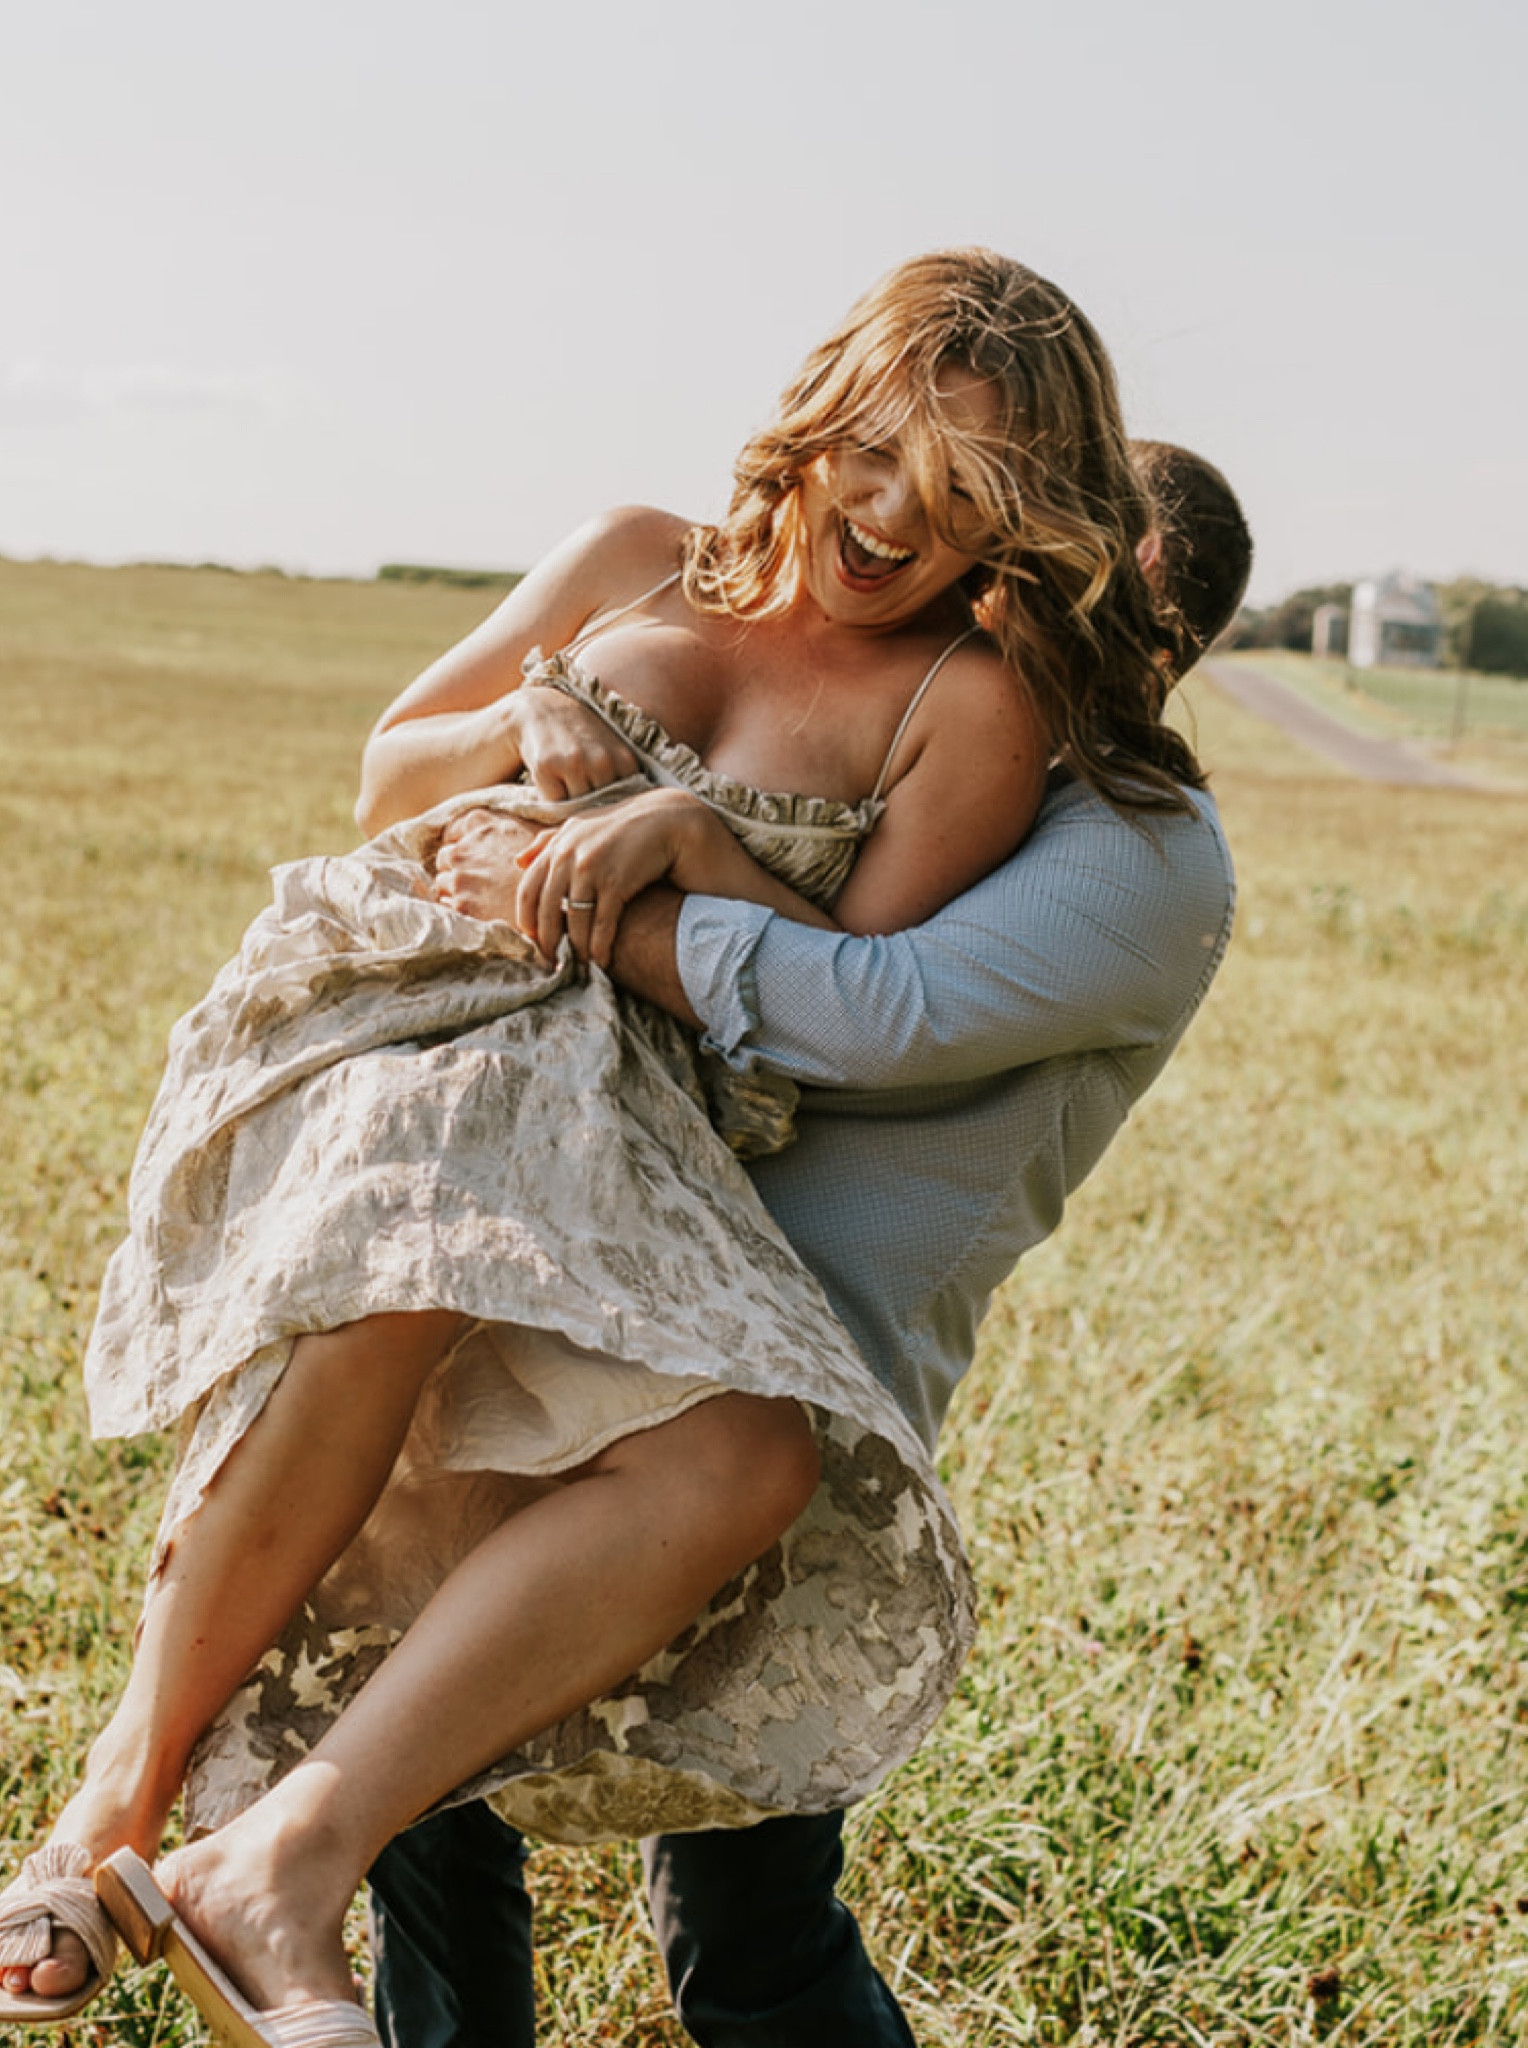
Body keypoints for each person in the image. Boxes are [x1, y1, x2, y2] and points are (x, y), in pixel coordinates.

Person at [0, 251, 1197, 2048]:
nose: (889, 515)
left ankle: (268, 1866)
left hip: (635, 1115)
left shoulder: (968, 703)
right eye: (875, 451)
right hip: (393, 1014)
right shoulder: (631, 551)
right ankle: (113, 1809)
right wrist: (520, 722)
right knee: (432, 1212)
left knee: (746, 1467)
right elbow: (387, 773)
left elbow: (844, 995)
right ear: (822, 411)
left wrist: (689, 841)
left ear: (1022, 530)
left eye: (961, 497)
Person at [365, 439, 1253, 2046]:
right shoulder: (936, 745)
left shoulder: (1141, 849)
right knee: (428, 1816)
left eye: (1062, 589)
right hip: (614, 1305)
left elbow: (868, 1013)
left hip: (807, 1386)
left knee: (746, 1914)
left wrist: (604, 879)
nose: (1005, 611)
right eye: (1012, 567)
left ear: (1165, 646)